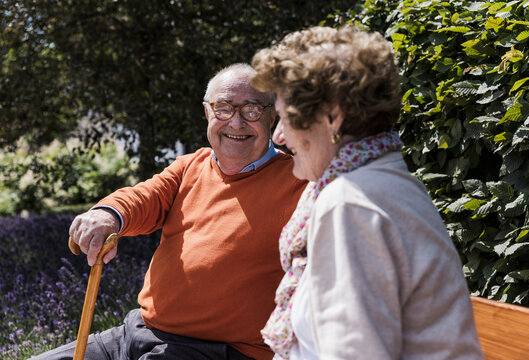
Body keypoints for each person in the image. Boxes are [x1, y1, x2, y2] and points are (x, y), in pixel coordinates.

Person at [32, 63, 307, 360]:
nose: (236, 123)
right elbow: (144, 197)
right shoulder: (191, 166)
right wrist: (108, 214)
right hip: (138, 331)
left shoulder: (299, 181)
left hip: (220, 351)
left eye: (252, 109)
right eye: (223, 108)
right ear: (207, 113)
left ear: (272, 114)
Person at [250, 26, 484, 359]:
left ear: (332, 116)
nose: (278, 137)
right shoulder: (376, 182)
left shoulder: (349, 202)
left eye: (287, 118)